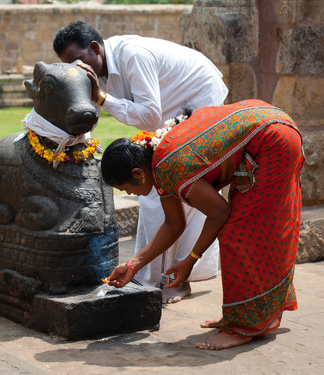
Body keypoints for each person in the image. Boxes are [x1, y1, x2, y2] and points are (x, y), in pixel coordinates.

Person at [100, 100, 304, 350]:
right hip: (267, 123)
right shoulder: (157, 161)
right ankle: (246, 313)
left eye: (125, 189)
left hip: (274, 140)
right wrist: (133, 264)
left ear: (138, 174)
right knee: (245, 228)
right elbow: (174, 224)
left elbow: (219, 213)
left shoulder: (168, 166)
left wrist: (191, 259)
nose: (129, 194)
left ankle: (243, 327)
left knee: (239, 235)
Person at [53, 21, 229, 303]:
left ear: (95, 49)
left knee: (161, 190)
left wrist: (101, 98)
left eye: (77, 59)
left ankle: (159, 280)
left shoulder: (132, 55)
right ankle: (172, 275)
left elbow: (147, 115)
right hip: (170, 108)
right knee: (176, 191)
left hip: (198, 98)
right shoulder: (98, 68)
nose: (75, 67)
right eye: (68, 64)